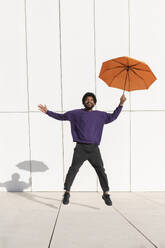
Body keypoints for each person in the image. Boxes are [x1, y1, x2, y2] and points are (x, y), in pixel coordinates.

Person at [38, 92, 126, 206]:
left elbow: (113, 116)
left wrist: (121, 104)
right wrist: (47, 112)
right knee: (73, 169)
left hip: (94, 149)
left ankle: (106, 193)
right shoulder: (75, 114)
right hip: (80, 148)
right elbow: (61, 117)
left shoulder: (100, 115)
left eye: (91, 100)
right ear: (84, 102)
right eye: (87, 99)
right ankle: (67, 192)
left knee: (101, 170)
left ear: (94, 102)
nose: (89, 101)